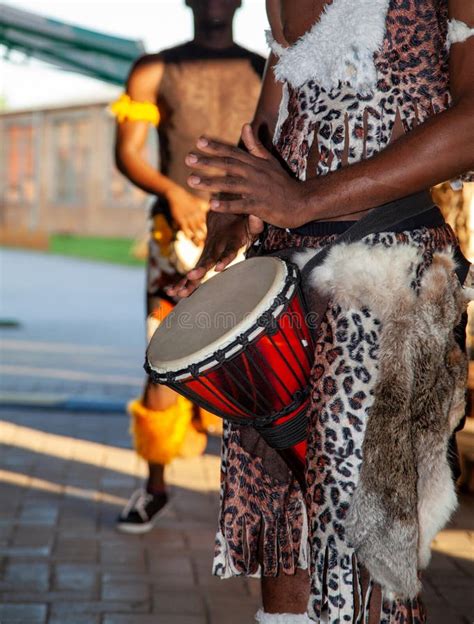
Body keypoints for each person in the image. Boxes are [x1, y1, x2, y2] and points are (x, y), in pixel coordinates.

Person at [168, 0, 474, 621]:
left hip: (385, 269)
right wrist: (238, 202)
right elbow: (271, 122)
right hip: (279, 276)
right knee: (287, 525)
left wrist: (307, 198)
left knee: (366, 538)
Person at [111, 0, 265, 533]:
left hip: (251, 231)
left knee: (258, 361)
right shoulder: (154, 69)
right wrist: (175, 194)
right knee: (164, 351)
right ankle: (154, 487)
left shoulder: (264, 69)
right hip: (174, 238)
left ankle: (258, 498)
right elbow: (127, 153)